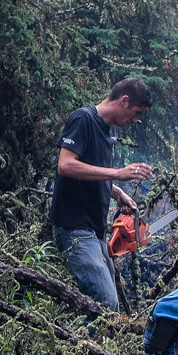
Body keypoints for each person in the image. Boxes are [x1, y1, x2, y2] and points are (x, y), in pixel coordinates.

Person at [50, 78, 154, 312]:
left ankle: (73, 341)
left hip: (95, 229)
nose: (135, 120)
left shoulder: (110, 128)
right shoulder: (83, 119)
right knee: (105, 303)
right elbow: (65, 165)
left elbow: (91, 170)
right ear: (124, 101)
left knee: (103, 303)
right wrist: (118, 174)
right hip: (73, 226)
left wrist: (116, 193)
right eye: (136, 113)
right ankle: (86, 348)